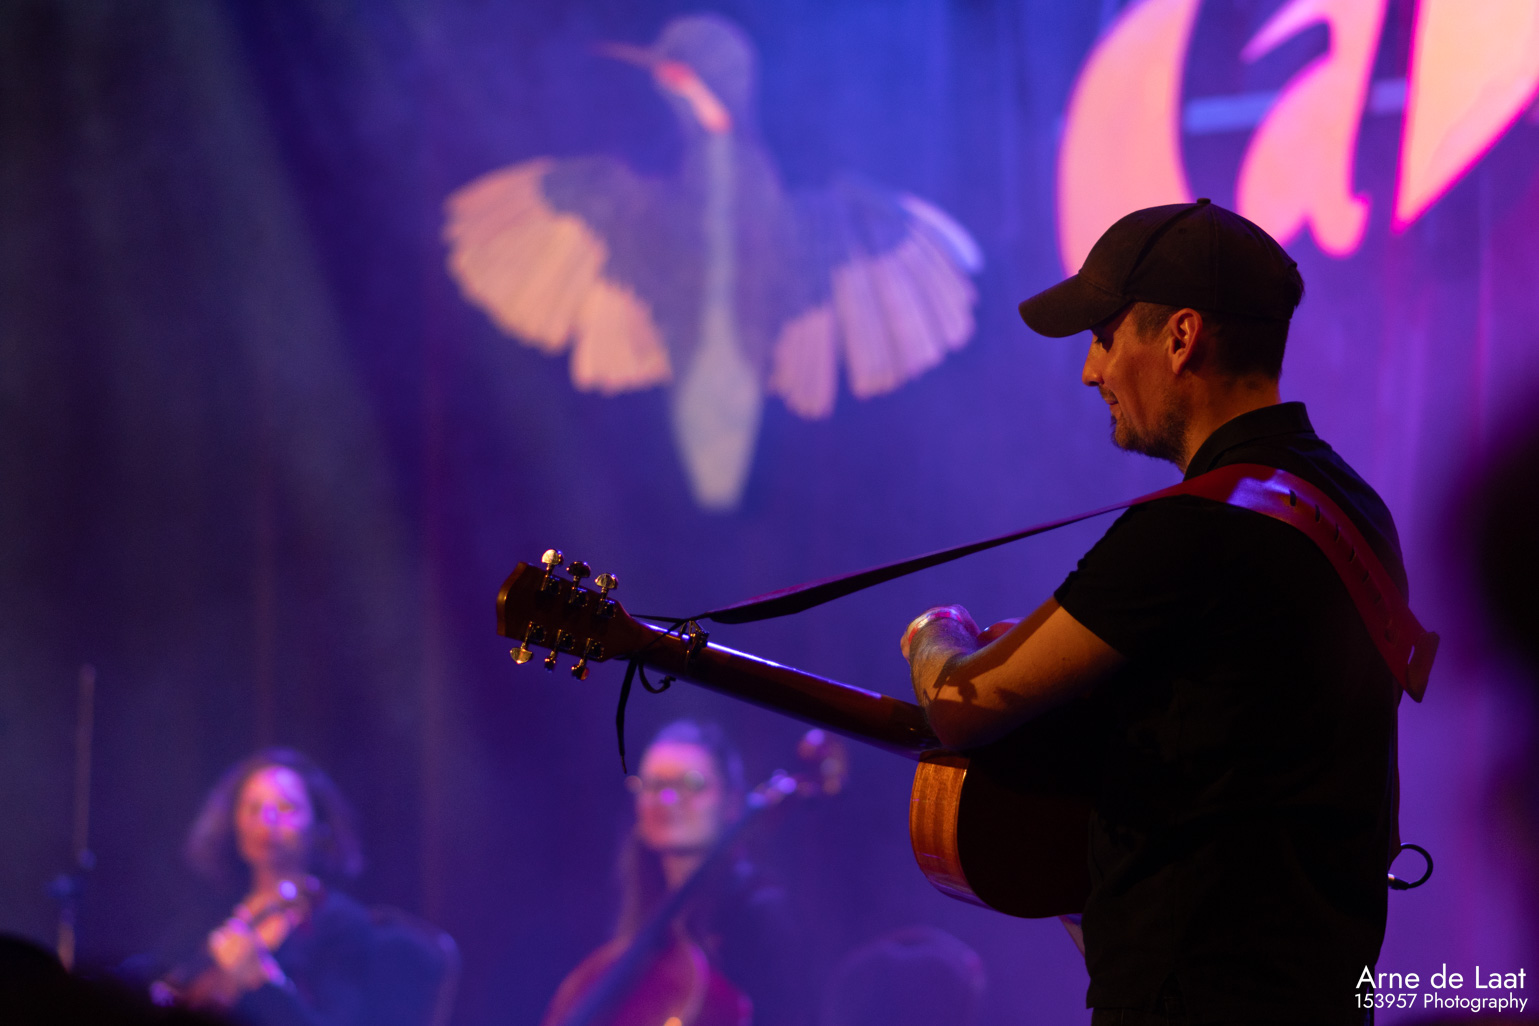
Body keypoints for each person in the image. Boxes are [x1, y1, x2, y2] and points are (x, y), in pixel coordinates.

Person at [900, 199, 1408, 1024]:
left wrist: (936, 633)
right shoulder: (1349, 505)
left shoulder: (1192, 529)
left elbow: (962, 705)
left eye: (1104, 337)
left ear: (1179, 337)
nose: (1089, 370)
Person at [542, 720, 808, 1026]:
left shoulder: (759, 914)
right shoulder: (647, 920)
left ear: (732, 802)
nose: (667, 799)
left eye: (692, 784)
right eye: (653, 785)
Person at [150, 748, 374, 1026]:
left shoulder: (342, 923)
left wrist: (261, 983)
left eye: (286, 808)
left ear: (319, 825)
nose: (268, 821)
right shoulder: (210, 912)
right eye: (253, 809)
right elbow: (156, 979)